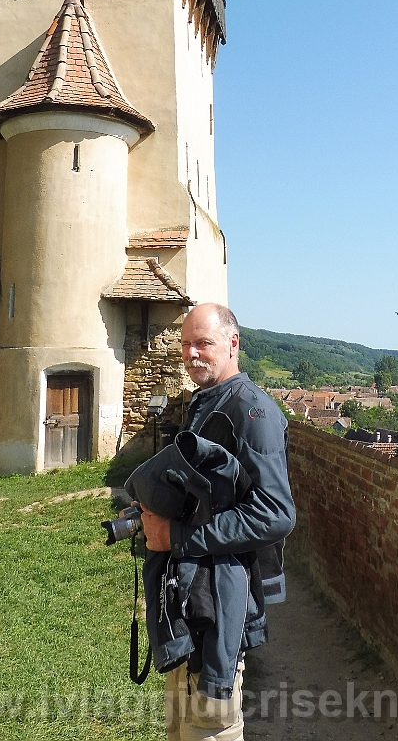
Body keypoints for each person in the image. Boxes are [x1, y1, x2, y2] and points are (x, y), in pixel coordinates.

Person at [141, 302, 295, 741]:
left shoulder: (253, 412)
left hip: (219, 606)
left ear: (233, 343)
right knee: (183, 729)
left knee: (210, 731)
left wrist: (177, 536)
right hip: (188, 600)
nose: (191, 353)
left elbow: (276, 513)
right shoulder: (206, 403)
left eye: (203, 343)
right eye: (186, 344)